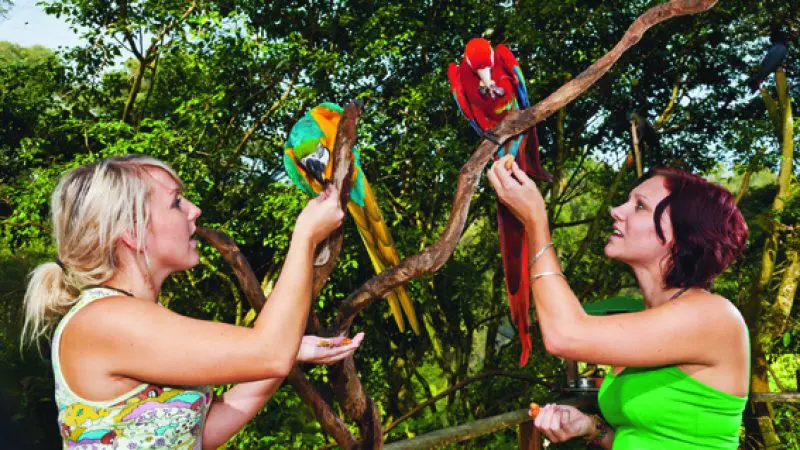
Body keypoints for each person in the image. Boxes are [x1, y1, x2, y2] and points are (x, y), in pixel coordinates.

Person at [21, 155, 363, 449]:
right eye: (175, 202)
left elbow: (205, 431)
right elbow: (269, 352)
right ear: (131, 231)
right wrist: (304, 238)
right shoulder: (103, 320)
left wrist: (290, 350)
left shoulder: (136, 318)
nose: (194, 211)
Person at [487, 157, 749, 450]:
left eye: (639, 206)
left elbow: (565, 335)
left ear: (682, 236)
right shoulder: (648, 318)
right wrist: (591, 428)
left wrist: (536, 222)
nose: (616, 210)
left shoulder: (713, 316)